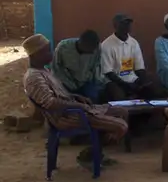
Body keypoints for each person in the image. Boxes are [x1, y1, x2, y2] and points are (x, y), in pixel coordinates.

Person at [23, 34, 128, 167]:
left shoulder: (43, 71)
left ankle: (94, 152)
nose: (51, 54)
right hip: (67, 117)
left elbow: (59, 95)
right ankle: (90, 154)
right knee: (121, 127)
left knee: (122, 112)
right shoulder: (34, 77)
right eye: (47, 51)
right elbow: (50, 103)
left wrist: (75, 96)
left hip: (75, 111)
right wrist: (77, 105)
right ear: (36, 54)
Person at [102, 13, 168, 101]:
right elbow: (108, 72)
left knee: (157, 91)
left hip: (132, 79)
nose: (127, 26)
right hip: (115, 81)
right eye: (123, 23)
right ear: (115, 25)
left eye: (128, 23)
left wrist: (143, 82)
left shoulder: (133, 43)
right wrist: (125, 85)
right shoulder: (106, 45)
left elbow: (139, 68)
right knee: (119, 97)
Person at [51, 30, 103, 103]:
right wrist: (68, 84)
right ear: (82, 44)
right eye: (91, 49)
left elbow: (96, 66)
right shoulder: (63, 47)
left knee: (93, 99)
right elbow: (56, 68)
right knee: (67, 101)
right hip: (66, 82)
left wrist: (96, 82)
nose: (93, 52)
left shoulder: (97, 48)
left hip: (86, 81)